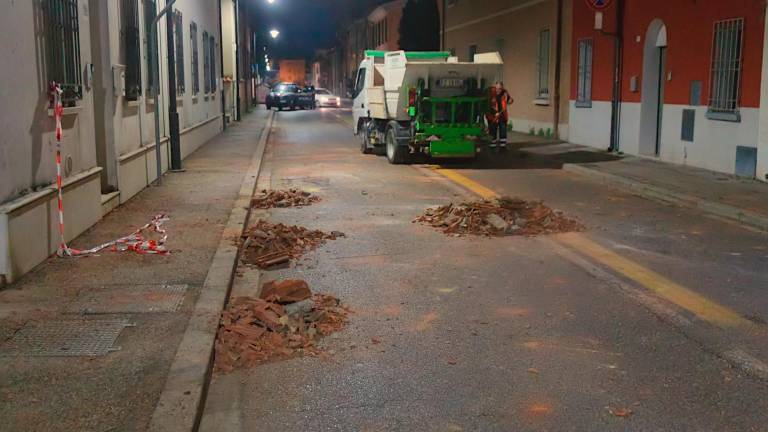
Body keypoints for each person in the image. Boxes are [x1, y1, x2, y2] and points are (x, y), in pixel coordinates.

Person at [488, 81, 513, 149]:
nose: (498, 90)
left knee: (503, 130)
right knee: (493, 130)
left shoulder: (504, 93)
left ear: (502, 88)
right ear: (495, 87)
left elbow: (509, 100)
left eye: (500, 88)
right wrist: (495, 112)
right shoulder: (491, 94)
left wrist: (510, 100)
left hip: (502, 115)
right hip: (493, 115)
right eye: (497, 88)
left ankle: (503, 145)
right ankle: (493, 144)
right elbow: (489, 105)